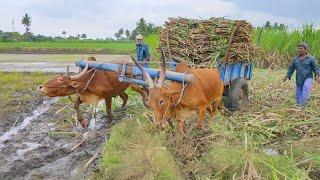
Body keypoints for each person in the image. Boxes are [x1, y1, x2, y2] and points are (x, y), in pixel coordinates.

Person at [283, 42, 320, 106]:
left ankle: (303, 105)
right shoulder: (295, 59)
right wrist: (287, 76)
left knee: (306, 88)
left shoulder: (311, 58)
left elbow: (315, 68)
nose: (299, 50)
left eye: (301, 48)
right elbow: (291, 68)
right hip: (299, 78)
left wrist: (317, 75)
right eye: (298, 49)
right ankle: (299, 107)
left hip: (308, 77)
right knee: (298, 94)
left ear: (306, 49)